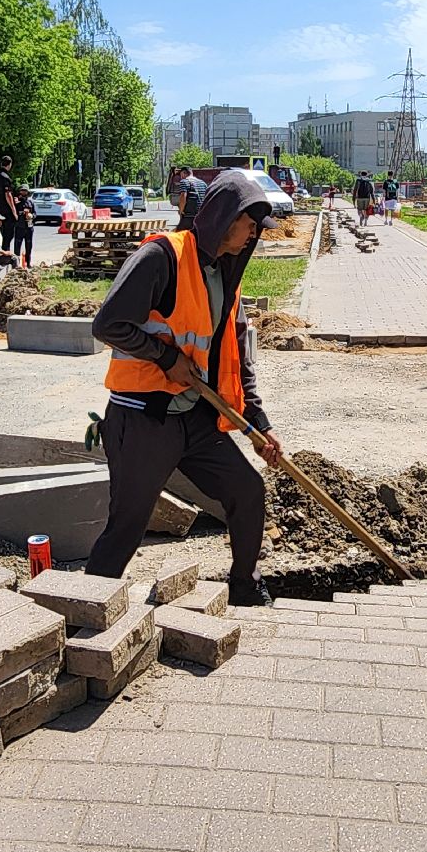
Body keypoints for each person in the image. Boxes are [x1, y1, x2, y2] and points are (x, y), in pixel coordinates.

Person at [87, 173, 283, 606]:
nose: (254, 233)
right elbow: (107, 325)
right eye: (249, 222)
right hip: (142, 417)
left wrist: (259, 425)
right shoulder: (163, 257)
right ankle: (83, 608)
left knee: (247, 491)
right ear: (222, 219)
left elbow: (236, 361)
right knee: (128, 524)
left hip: (194, 418)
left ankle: (245, 588)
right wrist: (166, 358)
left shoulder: (226, 280)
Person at [0, 155, 17, 250]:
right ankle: (6, 253)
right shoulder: (5, 177)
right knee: (9, 234)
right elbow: (8, 195)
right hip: (7, 209)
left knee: (2, 233)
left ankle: (3, 251)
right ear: (9, 164)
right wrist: (14, 210)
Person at [173, 166, 207, 232]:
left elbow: (183, 196)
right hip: (201, 215)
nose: (181, 177)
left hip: (189, 215)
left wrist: (181, 210)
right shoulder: (203, 183)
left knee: (181, 233)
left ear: (183, 173)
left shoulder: (184, 182)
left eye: (181, 175)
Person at [12, 186, 34, 268]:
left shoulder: (30, 202)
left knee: (29, 246)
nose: (24, 193)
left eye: (25, 191)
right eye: (22, 191)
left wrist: (31, 215)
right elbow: (13, 213)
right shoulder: (16, 203)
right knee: (17, 246)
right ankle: (16, 264)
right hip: (19, 227)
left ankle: (28, 263)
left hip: (29, 227)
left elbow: (35, 214)